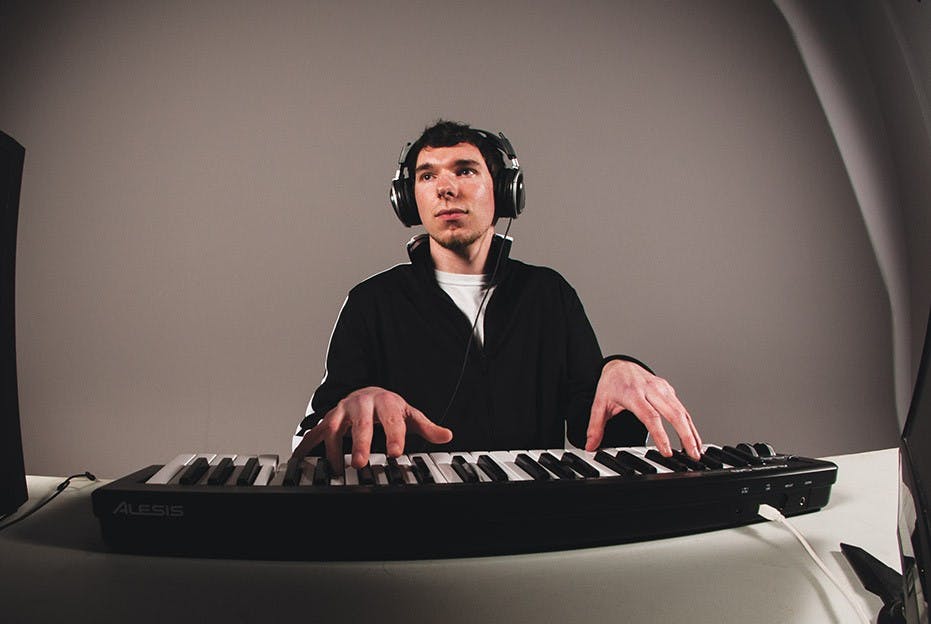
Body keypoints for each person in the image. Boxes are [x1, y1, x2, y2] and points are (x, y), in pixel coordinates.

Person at [291, 120, 701, 474]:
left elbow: (595, 434)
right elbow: (305, 447)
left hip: (533, 527)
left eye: (465, 170)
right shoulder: (371, 302)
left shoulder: (549, 295)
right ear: (408, 198)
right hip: (413, 532)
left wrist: (621, 370)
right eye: (427, 175)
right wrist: (352, 406)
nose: (445, 188)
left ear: (505, 191)